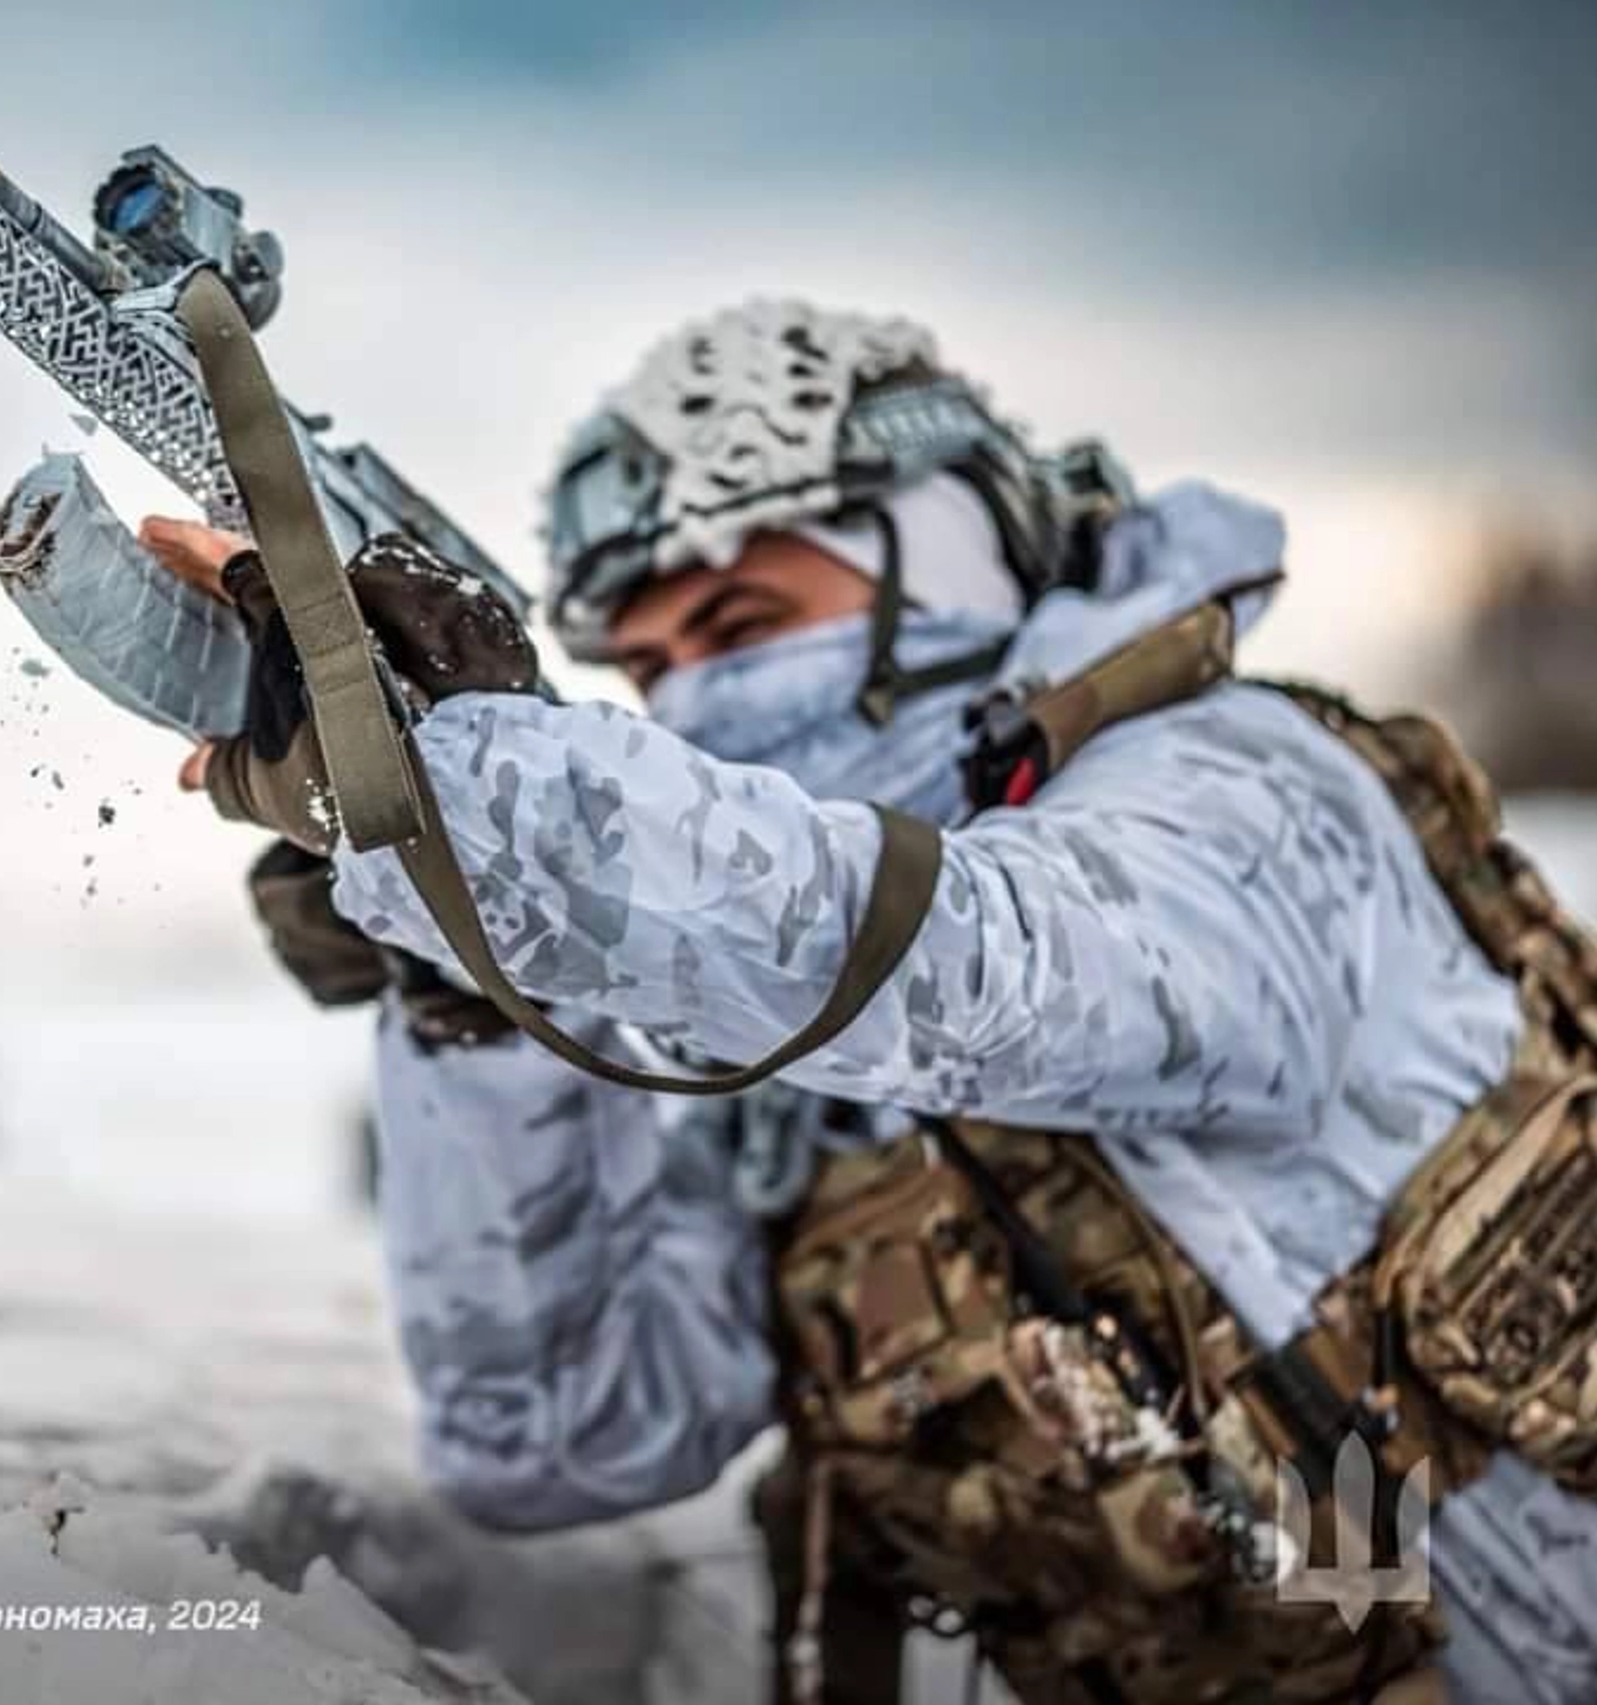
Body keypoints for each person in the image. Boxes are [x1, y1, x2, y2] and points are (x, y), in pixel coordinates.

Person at [137, 298, 1597, 1705]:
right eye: (649, 668)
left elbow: (993, 970)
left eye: (746, 618)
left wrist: (485, 801)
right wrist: (461, 991)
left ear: (948, 565)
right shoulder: (774, 987)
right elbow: (565, 1441)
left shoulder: (1245, 793)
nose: (697, 699)